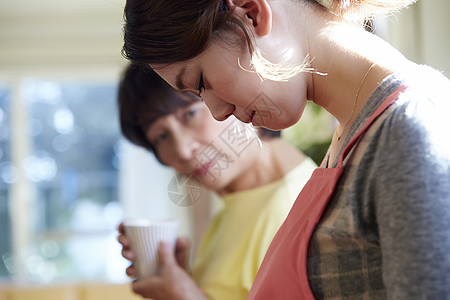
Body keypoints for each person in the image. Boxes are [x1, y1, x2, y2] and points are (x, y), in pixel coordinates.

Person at [120, 0, 450, 299]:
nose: (217, 112)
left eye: (202, 83)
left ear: (252, 13)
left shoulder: (409, 129)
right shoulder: (350, 140)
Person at [116, 64, 317, 300]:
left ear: (237, 97)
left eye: (190, 114)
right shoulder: (235, 203)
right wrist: (182, 282)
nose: (182, 149)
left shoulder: (292, 209)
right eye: (161, 136)